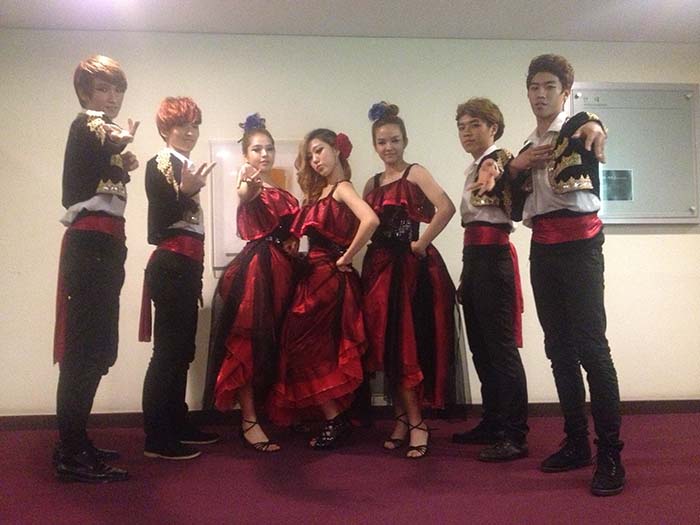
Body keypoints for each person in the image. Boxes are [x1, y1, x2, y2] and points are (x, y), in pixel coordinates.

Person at [507, 54, 624, 496]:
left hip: (580, 246)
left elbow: (591, 127)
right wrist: (516, 167)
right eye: (534, 86)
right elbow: (510, 197)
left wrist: (596, 123)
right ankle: (576, 442)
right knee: (558, 349)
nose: (540, 94)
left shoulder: (577, 127)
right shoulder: (526, 145)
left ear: (565, 92)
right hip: (542, 246)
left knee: (593, 349)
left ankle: (610, 453)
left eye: (549, 86)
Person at [53, 54, 139, 482]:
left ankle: (75, 439)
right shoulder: (88, 123)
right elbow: (104, 138)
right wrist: (121, 143)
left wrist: (124, 159)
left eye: (117, 90)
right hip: (91, 245)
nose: (112, 98)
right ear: (85, 94)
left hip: (105, 245)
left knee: (97, 349)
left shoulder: (102, 135)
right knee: (85, 352)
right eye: (103, 89)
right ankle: (70, 451)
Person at [267, 129, 379, 449]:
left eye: (319, 151)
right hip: (314, 276)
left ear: (337, 149)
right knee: (312, 347)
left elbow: (371, 220)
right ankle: (331, 415)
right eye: (310, 155)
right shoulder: (321, 192)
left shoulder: (342, 188)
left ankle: (335, 418)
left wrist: (346, 256)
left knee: (310, 346)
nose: (315, 160)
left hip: (329, 278)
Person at [362, 102, 456, 459]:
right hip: (379, 269)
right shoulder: (371, 183)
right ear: (375, 145)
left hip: (411, 271)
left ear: (405, 141)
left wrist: (422, 242)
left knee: (407, 347)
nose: (389, 147)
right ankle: (402, 421)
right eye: (382, 142)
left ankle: (417, 424)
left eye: (395, 140)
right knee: (387, 346)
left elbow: (446, 207)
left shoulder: (415, 173)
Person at [205, 114, 300, 452]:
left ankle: (269, 411)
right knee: (247, 344)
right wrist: (248, 183)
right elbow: (245, 194)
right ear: (245, 154)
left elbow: (290, 229)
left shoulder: (281, 190)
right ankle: (248, 420)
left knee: (276, 345)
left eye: (269, 149)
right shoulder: (248, 180)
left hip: (283, 271)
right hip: (258, 271)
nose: (264, 154)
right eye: (257, 149)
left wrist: (292, 240)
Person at [139, 96, 218, 460]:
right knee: (167, 354)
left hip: (187, 266)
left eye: (194, 125)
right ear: (165, 129)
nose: (190, 132)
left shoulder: (187, 165)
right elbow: (157, 225)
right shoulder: (160, 162)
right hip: (171, 264)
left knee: (182, 352)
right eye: (181, 125)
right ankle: (157, 437)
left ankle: (177, 423)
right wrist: (184, 193)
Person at [450, 98, 529, 462]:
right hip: (475, 259)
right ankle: (493, 422)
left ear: (493, 128)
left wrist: (493, 165)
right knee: (481, 348)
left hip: (493, 258)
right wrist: (466, 274)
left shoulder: (498, 160)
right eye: (462, 126)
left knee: (501, 349)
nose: (467, 132)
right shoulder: (473, 167)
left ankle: (515, 434)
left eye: (475, 125)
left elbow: (502, 162)